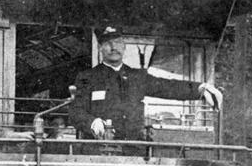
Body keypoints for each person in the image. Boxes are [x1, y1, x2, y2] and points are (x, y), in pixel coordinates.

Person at [68, 28, 222, 141]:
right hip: (98, 150)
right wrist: (92, 123)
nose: (114, 47)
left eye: (117, 42)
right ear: (101, 47)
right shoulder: (87, 77)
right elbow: (76, 112)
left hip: (135, 151)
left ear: (124, 46)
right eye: (108, 43)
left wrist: (200, 89)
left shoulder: (137, 76)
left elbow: (167, 87)